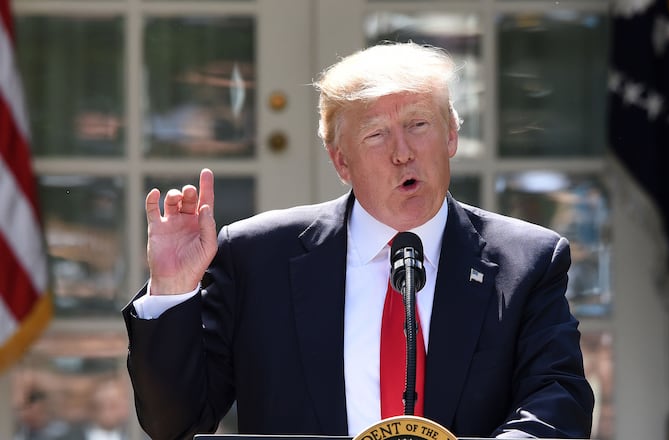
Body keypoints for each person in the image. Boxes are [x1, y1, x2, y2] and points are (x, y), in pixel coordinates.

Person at [123, 42, 594, 440]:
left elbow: (557, 399)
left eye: (418, 125)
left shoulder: (527, 260)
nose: (402, 152)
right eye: (376, 135)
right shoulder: (257, 256)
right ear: (341, 161)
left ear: (451, 134)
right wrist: (173, 290)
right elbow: (175, 422)